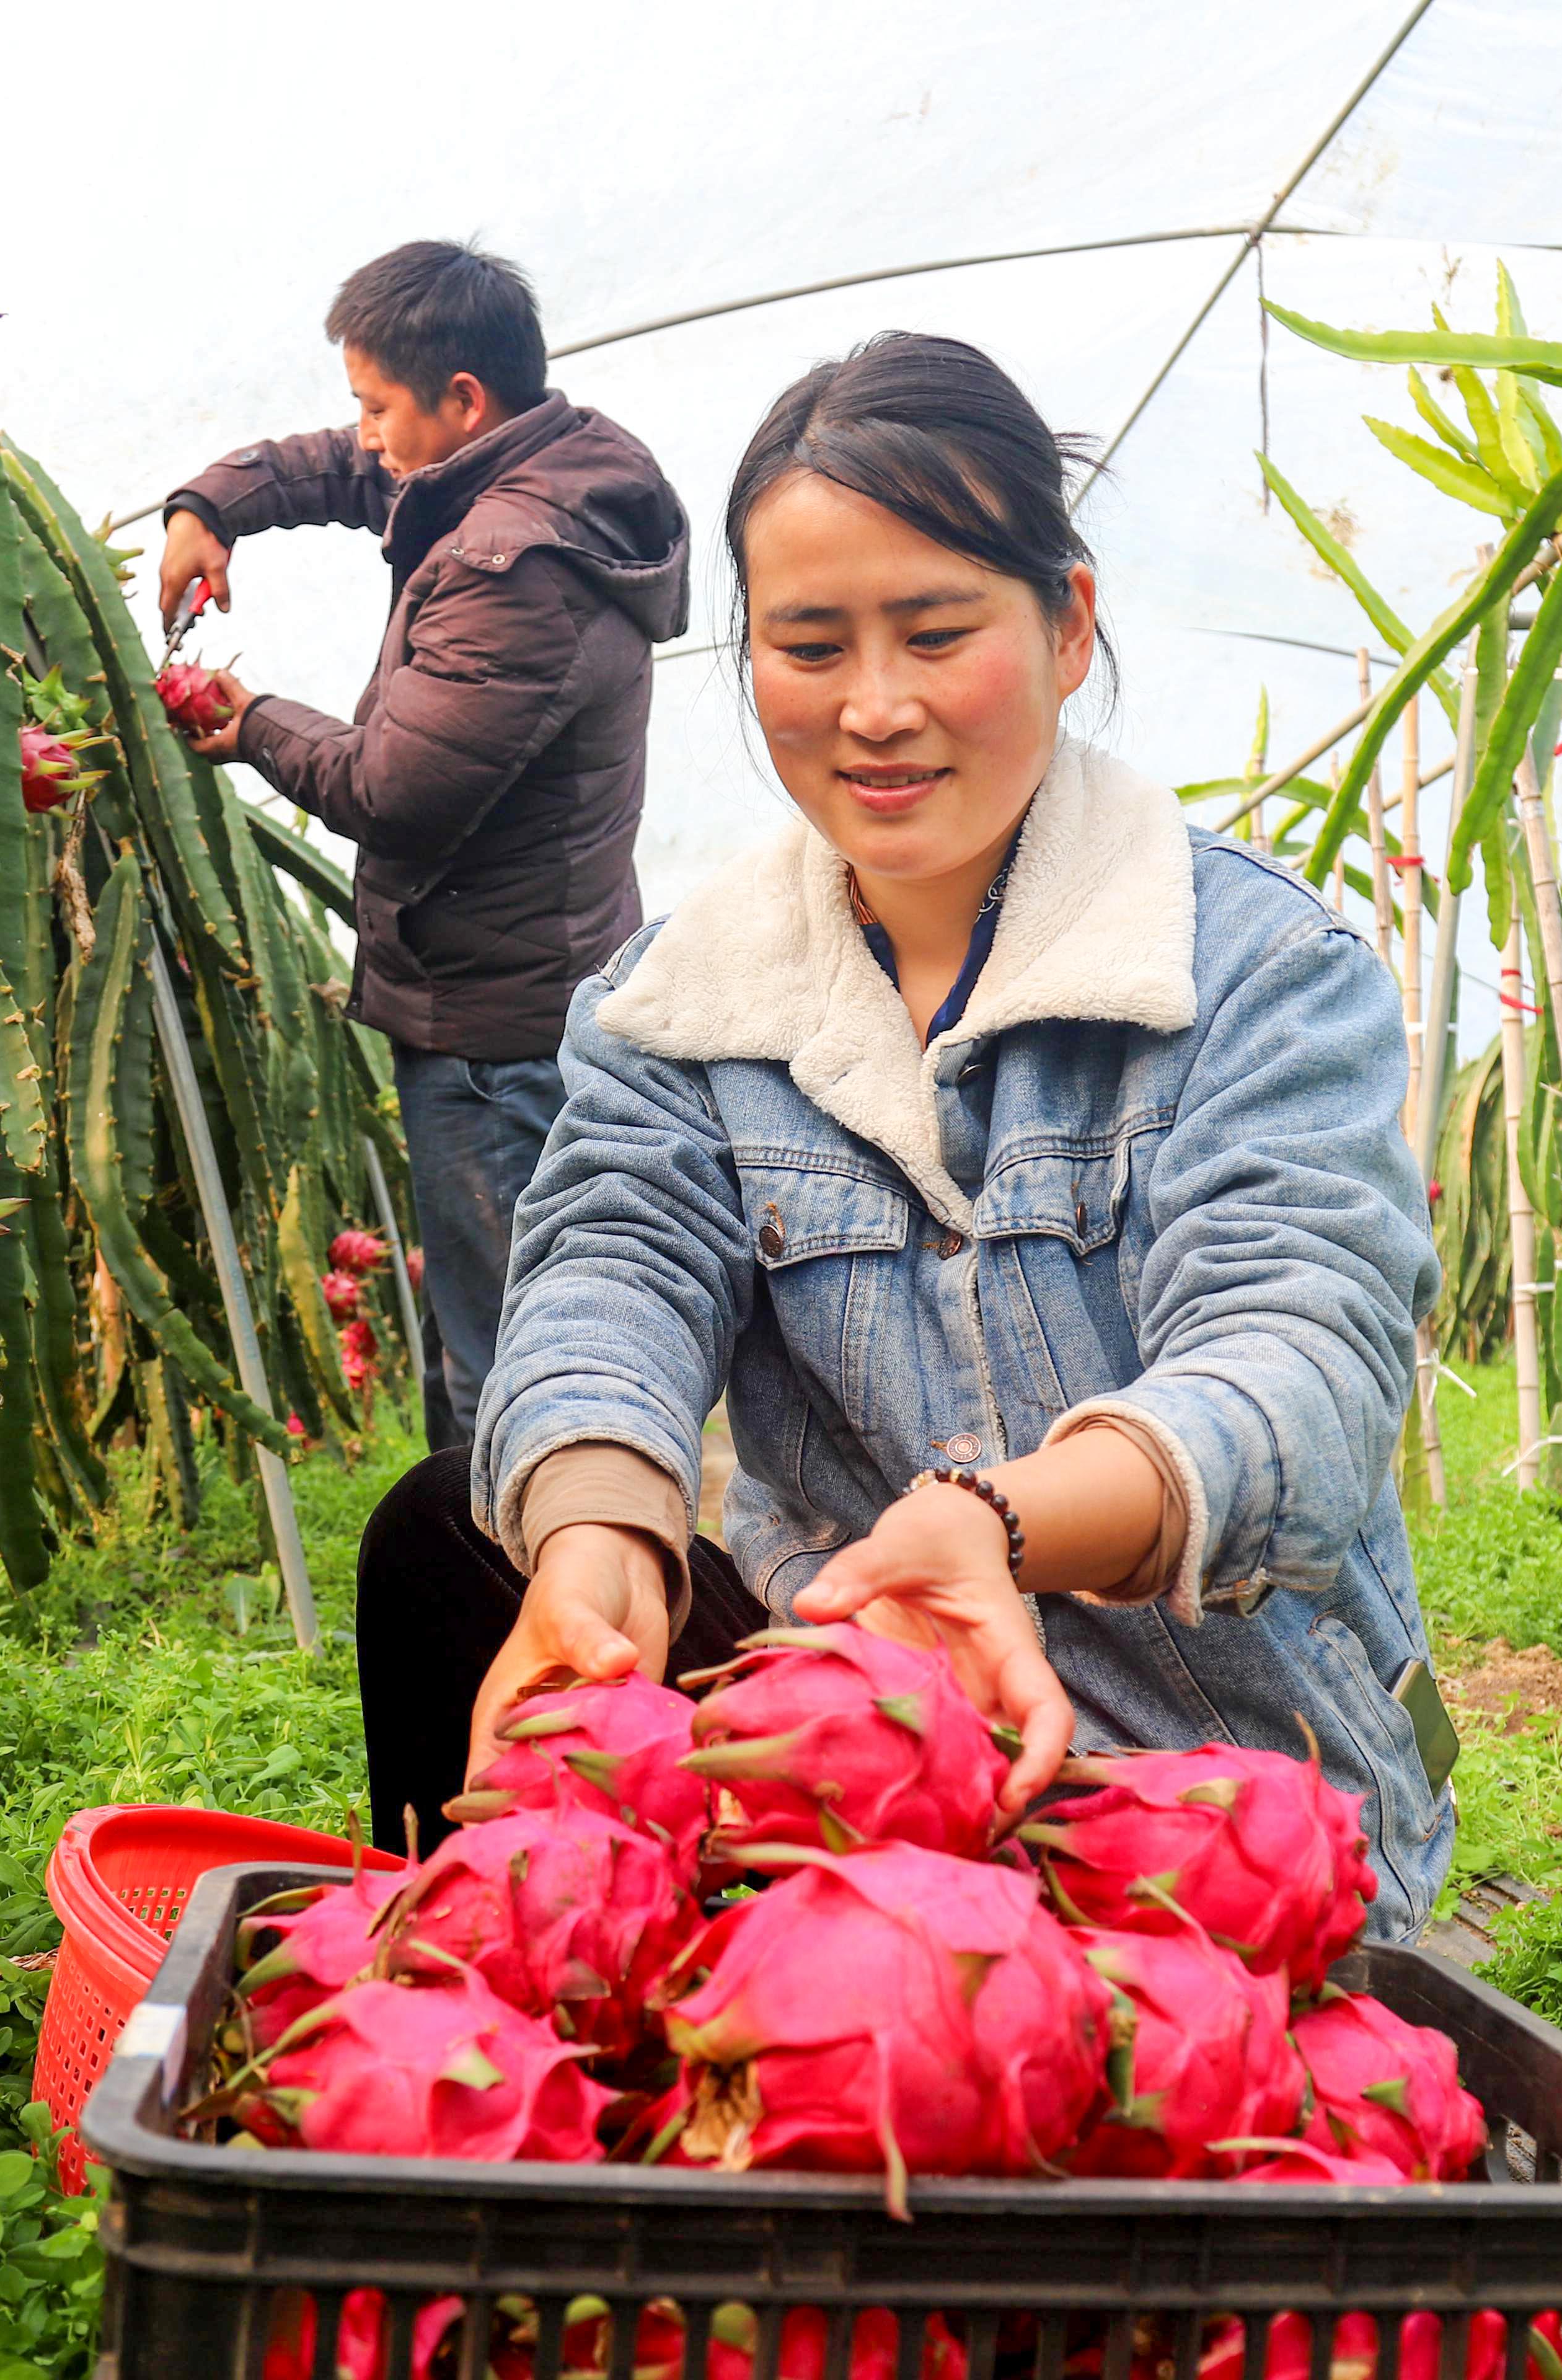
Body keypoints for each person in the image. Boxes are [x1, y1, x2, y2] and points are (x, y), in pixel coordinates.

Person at [352, 334, 1459, 1938]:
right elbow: (610, 1270)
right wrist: (600, 1548)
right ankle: (510, 1974)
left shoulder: (1259, 972)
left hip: (1214, 1784)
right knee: (444, 1539)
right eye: (809, 646)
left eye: (938, 634)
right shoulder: (686, 998)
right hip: (861, 1748)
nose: (874, 710)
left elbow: (1300, 1356)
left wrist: (1000, 1525)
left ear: (1069, 626)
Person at [159, 241, 689, 1451]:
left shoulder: (515, 571)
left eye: (378, 407)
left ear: (464, 400)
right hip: (524, 988)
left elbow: (393, 789)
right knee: (506, 1350)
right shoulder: (535, 472)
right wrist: (213, 505)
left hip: (493, 1043)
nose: (365, 436)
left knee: (514, 1378)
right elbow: (343, 471)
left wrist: (243, 722)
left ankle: (536, 1616)